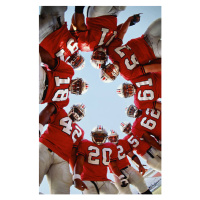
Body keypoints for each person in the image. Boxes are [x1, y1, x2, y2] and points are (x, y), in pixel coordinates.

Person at [39, 104, 86, 194]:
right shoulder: (61, 112)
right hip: (46, 147)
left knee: (62, 191)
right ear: (72, 109)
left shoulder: (80, 132)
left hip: (62, 160)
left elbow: (73, 153)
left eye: (79, 113)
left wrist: (76, 176)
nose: (76, 113)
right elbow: (46, 115)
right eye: (76, 110)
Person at [100, 17, 161, 82]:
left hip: (147, 36)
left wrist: (129, 19)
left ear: (106, 66)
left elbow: (121, 33)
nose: (111, 70)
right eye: (111, 73)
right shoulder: (127, 75)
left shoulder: (111, 52)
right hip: (155, 51)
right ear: (114, 77)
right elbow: (148, 68)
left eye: (108, 70)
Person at [73, 125, 129, 194]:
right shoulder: (85, 143)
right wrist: (76, 177)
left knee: (114, 192)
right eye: (96, 135)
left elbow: (113, 166)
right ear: (92, 136)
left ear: (105, 137)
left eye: (101, 136)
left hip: (104, 180)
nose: (99, 138)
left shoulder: (111, 147)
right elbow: (79, 162)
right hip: (88, 179)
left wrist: (121, 177)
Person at [39, 6, 85, 70]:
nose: (76, 60)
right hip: (53, 23)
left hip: (55, 21)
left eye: (76, 63)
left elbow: (74, 24)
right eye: (78, 60)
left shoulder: (77, 46)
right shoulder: (60, 65)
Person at [108, 130, 152, 194]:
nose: (113, 139)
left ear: (117, 137)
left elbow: (132, 155)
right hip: (116, 174)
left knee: (143, 188)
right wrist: (120, 177)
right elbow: (112, 166)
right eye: (111, 138)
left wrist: (140, 165)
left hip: (128, 169)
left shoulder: (123, 142)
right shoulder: (106, 148)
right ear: (108, 138)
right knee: (126, 194)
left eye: (115, 137)